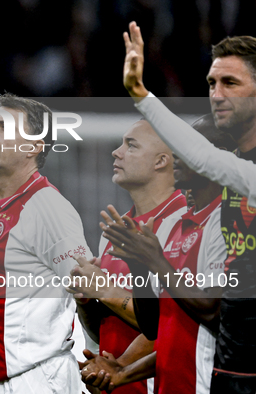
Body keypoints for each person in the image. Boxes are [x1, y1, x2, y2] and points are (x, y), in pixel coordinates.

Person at [123, 21, 256, 393]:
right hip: (230, 369)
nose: (216, 94)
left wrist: (141, 95)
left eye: (231, 83)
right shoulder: (235, 177)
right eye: (212, 83)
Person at [82, 116, 236, 393]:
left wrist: (151, 261)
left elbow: (215, 312)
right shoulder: (177, 226)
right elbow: (156, 327)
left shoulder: (231, 220)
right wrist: (122, 373)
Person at [0, 93, 92, 393]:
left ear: (33, 146)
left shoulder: (49, 208)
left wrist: (96, 356)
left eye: (2, 126)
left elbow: (89, 293)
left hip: (36, 378)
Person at [68, 118, 187, 394]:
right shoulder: (117, 228)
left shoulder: (184, 224)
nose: (116, 152)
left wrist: (107, 290)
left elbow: (172, 325)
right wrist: (86, 300)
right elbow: (105, 333)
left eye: (131, 146)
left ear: (161, 161)